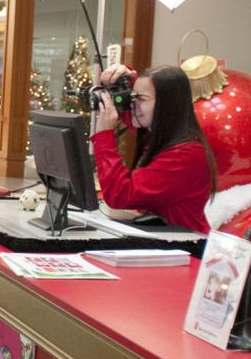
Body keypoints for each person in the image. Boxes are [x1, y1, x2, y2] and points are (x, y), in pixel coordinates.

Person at [92, 63, 216, 234]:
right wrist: (124, 79)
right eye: (132, 97)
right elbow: (133, 113)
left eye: (140, 99)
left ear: (167, 105)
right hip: (164, 238)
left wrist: (104, 136)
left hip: (185, 244)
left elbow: (120, 195)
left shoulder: (186, 154)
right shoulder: (160, 135)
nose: (132, 104)